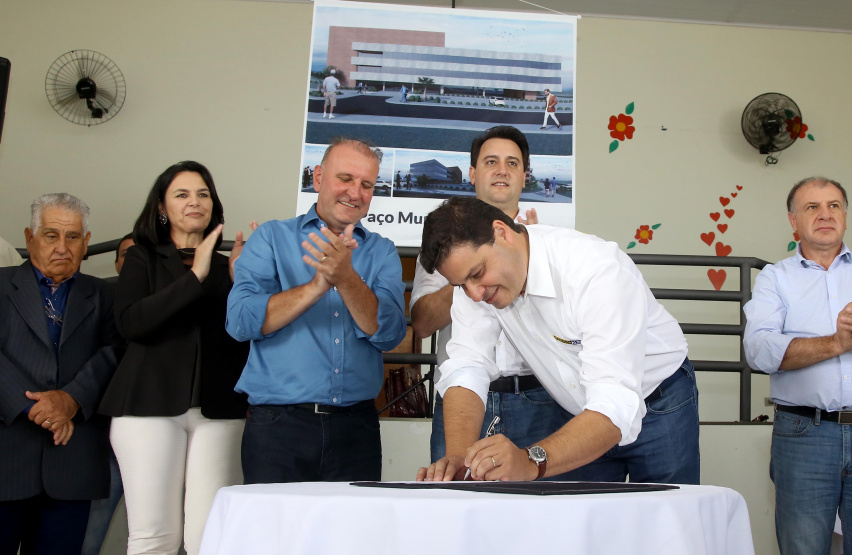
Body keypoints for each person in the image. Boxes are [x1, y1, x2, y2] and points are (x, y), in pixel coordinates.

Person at [417, 196, 698, 483]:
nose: (475, 294)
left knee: (670, 521)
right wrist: (460, 458)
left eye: (477, 274)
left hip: (659, 402)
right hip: (579, 415)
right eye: (462, 285)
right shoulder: (474, 288)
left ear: (501, 233)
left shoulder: (595, 270)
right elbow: (467, 366)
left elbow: (614, 400)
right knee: (583, 523)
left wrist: (530, 461)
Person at [743, 176, 852, 555]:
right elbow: (758, 350)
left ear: (846, 216)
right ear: (793, 221)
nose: (825, 214)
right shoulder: (775, 278)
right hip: (804, 434)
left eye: (834, 205)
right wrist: (836, 343)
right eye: (812, 207)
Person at [227, 137, 406, 484]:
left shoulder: (382, 251)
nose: (355, 193)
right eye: (345, 179)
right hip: (277, 428)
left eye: (367, 185)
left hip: (357, 429)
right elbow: (241, 321)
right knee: (275, 538)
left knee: (352, 538)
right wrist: (316, 286)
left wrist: (345, 277)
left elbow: (388, 333)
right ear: (318, 178)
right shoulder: (270, 238)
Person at [98, 161, 251, 555]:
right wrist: (194, 277)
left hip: (218, 411)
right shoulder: (141, 258)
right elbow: (132, 323)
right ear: (163, 207)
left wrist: (245, 283)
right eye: (182, 194)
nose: (194, 202)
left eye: (203, 193)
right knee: (154, 538)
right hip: (147, 409)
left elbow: (245, 335)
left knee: (210, 539)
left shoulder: (230, 266)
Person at [411, 126, 565, 471]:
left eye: (512, 163)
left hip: (539, 396)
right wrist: (468, 271)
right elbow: (421, 324)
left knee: (543, 509)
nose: (501, 170)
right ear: (472, 174)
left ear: (525, 177)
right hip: (463, 397)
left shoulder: (546, 243)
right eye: (491, 161)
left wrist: (518, 263)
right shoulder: (440, 242)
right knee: (457, 498)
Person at [0, 193, 120, 555]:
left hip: (72, 462)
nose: (62, 247)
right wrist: (35, 407)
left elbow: (117, 355)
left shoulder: (107, 296)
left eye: (72, 237)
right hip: (6, 457)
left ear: (86, 243)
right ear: (29, 237)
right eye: (51, 235)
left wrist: (70, 399)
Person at [79, 233, 134, 555]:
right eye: (126, 254)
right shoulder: (98, 300)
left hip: (157, 425)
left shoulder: (171, 300)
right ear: (115, 262)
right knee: (89, 535)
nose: (133, 261)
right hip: (102, 435)